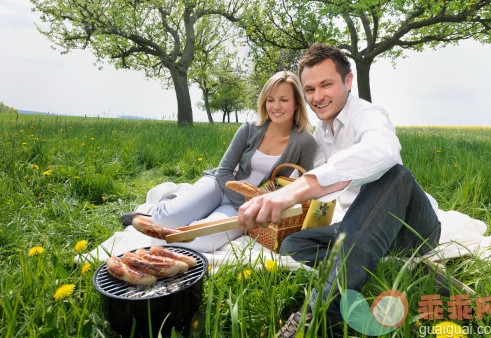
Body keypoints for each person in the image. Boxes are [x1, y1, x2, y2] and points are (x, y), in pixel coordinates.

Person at [237, 44, 442, 336]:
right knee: (294, 244)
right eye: (309, 89)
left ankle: (319, 315)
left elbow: (382, 151)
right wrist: (275, 192)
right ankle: (386, 266)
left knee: (394, 174)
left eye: (326, 85)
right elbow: (320, 182)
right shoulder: (321, 132)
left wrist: (293, 192)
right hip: (360, 227)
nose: (317, 97)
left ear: (348, 81)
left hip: (410, 229)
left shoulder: (369, 115)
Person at [119, 70, 317, 252]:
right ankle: (158, 210)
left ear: (296, 103)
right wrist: (243, 202)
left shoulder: (304, 141)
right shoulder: (249, 129)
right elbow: (224, 171)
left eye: (284, 100)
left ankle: (180, 220)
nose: (276, 106)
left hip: (246, 205)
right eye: (270, 99)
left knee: (203, 241)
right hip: (219, 186)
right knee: (167, 218)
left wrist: (259, 207)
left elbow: (302, 185)